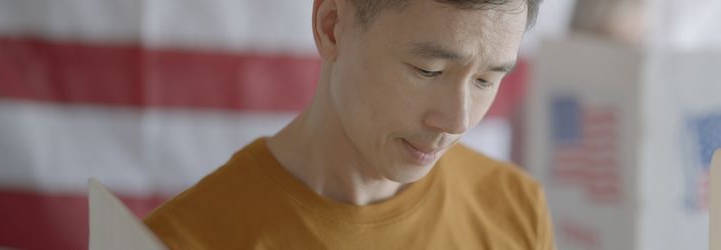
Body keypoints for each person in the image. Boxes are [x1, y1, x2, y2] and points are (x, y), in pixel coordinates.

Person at [143, 0, 551, 248]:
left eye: (486, 80)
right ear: (332, 26)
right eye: (428, 70)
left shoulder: (515, 208)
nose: (457, 121)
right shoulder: (184, 240)